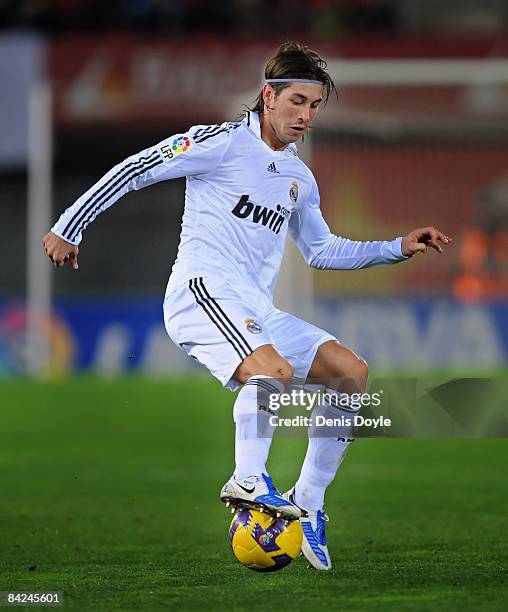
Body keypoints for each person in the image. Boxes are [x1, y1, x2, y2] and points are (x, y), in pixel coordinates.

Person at [43, 41, 452, 571]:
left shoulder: (299, 178)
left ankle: (308, 501)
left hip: (253, 308)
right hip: (201, 291)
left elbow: (322, 250)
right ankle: (248, 478)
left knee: (350, 373)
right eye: (297, 102)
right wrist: (68, 226)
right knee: (273, 372)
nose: (305, 116)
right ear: (268, 95)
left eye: (314, 106)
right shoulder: (220, 142)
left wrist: (395, 246)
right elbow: (137, 168)